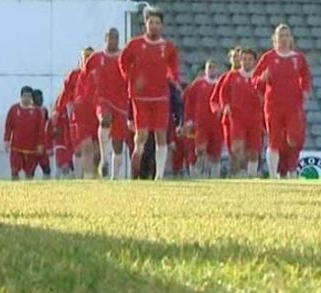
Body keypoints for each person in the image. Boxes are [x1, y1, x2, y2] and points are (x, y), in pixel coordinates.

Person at [119, 5, 179, 179]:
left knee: (161, 135)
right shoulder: (135, 45)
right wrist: (129, 78)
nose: (154, 26)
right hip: (140, 98)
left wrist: (173, 79)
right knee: (142, 136)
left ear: (162, 26)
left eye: (157, 23)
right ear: (145, 24)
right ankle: (136, 160)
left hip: (161, 97)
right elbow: (123, 63)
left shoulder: (168, 47)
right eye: (151, 22)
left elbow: (173, 68)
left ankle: (158, 176)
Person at [252, 24, 311, 178]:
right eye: (281, 36)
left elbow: (306, 77)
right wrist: (262, 79)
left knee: (294, 138)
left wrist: (305, 90)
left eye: (286, 35)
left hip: (293, 105)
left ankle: (290, 167)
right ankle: (273, 175)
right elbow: (255, 80)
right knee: (274, 140)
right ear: (275, 39)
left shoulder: (298, 58)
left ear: (290, 38)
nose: (284, 39)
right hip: (273, 105)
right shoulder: (268, 57)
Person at [84, 28, 130, 179]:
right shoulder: (96, 57)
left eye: (116, 37)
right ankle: (104, 159)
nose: (113, 40)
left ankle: (114, 177)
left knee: (118, 145)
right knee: (105, 120)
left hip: (121, 103)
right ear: (105, 38)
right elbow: (84, 74)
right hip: (102, 99)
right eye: (110, 37)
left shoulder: (124, 56)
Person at [219, 49, 263, 178]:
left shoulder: (258, 77)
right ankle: (237, 173)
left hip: (255, 118)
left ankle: (251, 175)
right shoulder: (232, 76)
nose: (246, 62)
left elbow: (267, 92)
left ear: (254, 61)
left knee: (254, 151)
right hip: (237, 117)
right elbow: (223, 92)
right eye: (244, 59)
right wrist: (225, 105)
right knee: (237, 148)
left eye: (250, 59)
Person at [53, 48, 95, 178]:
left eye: (90, 57)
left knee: (94, 149)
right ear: (80, 60)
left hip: (95, 116)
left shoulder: (98, 74)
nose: (87, 59)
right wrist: (58, 110)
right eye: (85, 57)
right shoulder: (74, 75)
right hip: (77, 116)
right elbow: (65, 93)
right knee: (78, 149)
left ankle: (93, 175)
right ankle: (79, 177)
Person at [183, 60, 222, 178]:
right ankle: (197, 174)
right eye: (209, 67)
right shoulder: (197, 85)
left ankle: (215, 177)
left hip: (217, 124)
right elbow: (189, 103)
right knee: (200, 150)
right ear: (205, 69)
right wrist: (188, 120)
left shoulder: (221, 84)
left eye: (214, 67)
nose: (212, 70)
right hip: (201, 123)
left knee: (215, 154)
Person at [210, 47, 241, 174]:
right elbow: (214, 99)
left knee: (249, 152)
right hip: (230, 120)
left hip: (249, 120)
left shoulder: (252, 76)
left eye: (239, 56)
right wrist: (219, 109)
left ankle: (249, 176)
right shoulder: (225, 78)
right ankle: (236, 177)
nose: (237, 60)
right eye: (234, 57)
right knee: (234, 151)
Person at [4, 86, 44, 180]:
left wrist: (40, 144)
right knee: (14, 171)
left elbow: (40, 130)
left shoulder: (37, 112)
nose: (27, 98)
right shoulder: (14, 109)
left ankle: (27, 192)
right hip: (16, 147)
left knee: (29, 174)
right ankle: (14, 190)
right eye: (25, 96)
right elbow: (8, 126)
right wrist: (6, 140)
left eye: (29, 96)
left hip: (31, 148)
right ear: (21, 96)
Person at [32, 89, 52, 179]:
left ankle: (46, 187)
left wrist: (48, 145)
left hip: (43, 145)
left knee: (47, 169)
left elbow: (46, 128)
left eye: (41, 97)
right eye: (38, 98)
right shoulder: (29, 110)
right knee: (30, 170)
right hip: (32, 145)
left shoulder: (44, 110)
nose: (40, 99)